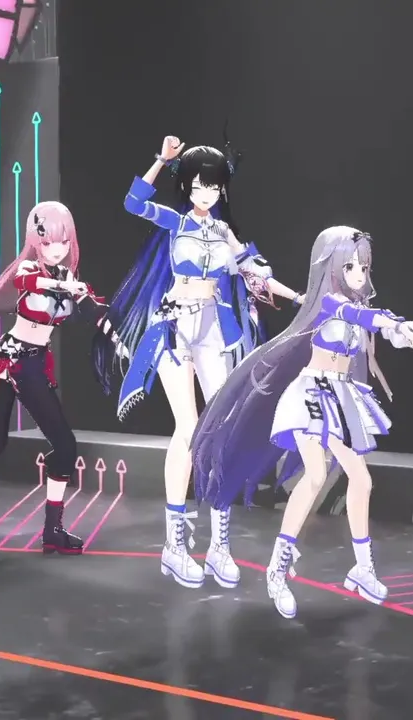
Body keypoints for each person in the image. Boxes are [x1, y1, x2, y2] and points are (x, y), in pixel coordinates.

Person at [189, 226, 413, 618]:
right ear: (331, 268)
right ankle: (277, 570)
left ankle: (363, 569)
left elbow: (390, 326)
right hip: (311, 395)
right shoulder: (332, 304)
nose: (358, 274)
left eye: (363, 267)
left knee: (362, 480)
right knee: (315, 476)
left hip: (342, 396)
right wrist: (386, 323)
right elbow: (364, 317)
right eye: (349, 266)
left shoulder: (360, 307)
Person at [94, 134, 304, 590]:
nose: (206, 193)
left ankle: (219, 546)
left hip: (213, 329)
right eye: (198, 185)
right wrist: (161, 160)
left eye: (213, 186)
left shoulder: (224, 233)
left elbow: (254, 272)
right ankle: (174, 546)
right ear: (187, 186)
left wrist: (298, 299)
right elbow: (133, 203)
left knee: (221, 431)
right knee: (188, 429)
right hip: (175, 325)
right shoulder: (175, 222)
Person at [0, 201, 124, 570]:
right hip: (10, 361)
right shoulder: (30, 270)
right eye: (48, 242)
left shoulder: (70, 278)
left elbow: (93, 313)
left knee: (63, 446)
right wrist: (63, 285)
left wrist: (119, 340)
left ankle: (52, 530)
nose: (56, 249)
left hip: (35, 364)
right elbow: (25, 284)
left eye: (62, 242)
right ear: (36, 242)